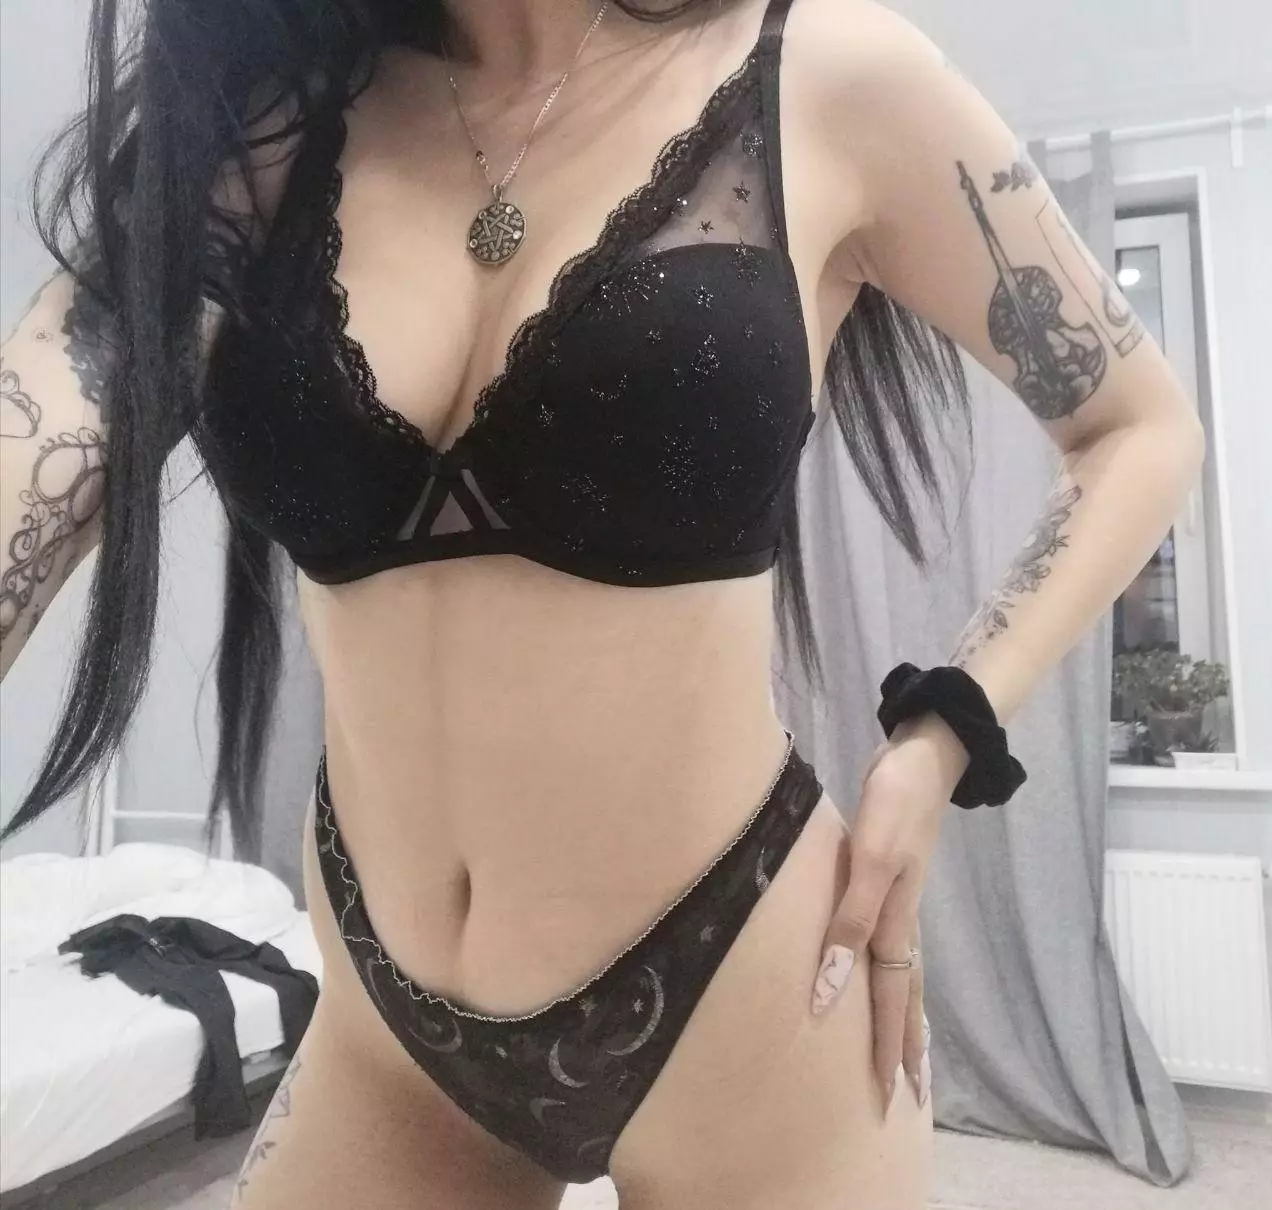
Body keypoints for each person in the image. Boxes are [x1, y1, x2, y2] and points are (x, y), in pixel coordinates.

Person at [0, 0, 1203, 1206]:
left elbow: (1138, 429)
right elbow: (37, 450)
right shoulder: (258, 136)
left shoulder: (825, 73)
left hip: (744, 986)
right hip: (388, 1023)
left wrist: (941, 734)